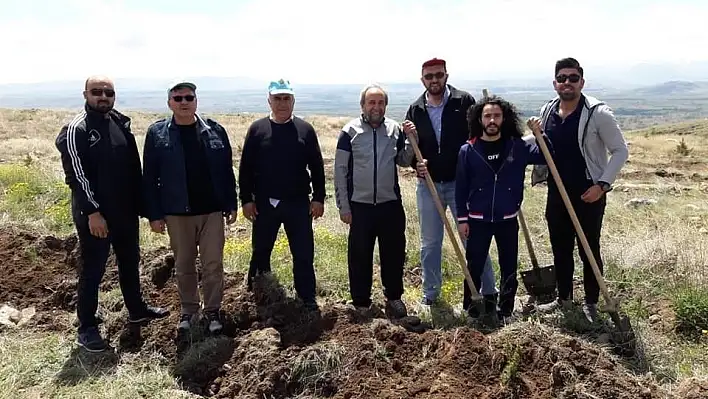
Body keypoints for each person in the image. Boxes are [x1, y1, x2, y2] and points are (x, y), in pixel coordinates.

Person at [55, 75, 169, 352]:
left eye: (108, 92)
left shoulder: (119, 123)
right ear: (85, 94)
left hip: (125, 213)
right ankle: (87, 327)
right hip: (96, 217)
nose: (103, 96)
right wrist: (93, 212)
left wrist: (144, 208)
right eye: (97, 92)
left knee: (130, 262)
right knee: (93, 270)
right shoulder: (76, 130)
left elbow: (133, 170)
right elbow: (77, 177)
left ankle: (136, 309)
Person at [532, 57, 629, 322]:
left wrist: (602, 185)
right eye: (562, 78)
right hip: (557, 193)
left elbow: (620, 151)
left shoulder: (598, 113)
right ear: (555, 83)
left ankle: (591, 302)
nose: (567, 83)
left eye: (573, 78)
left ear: (581, 82)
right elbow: (540, 144)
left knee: (588, 248)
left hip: (589, 194)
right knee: (560, 247)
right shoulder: (548, 110)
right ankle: (564, 299)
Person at [142, 80, 238, 334]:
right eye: (178, 98)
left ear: (196, 101)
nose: (184, 102)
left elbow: (226, 171)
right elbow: (149, 177)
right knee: (184, 264)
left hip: (211, 211)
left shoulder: (215, 130)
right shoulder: (157, 134)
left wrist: (231, 203)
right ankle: (189, 310)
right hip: (176, 212)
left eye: (189, 97)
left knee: (213, 263)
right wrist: (154, 214)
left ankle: (213, 311)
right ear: (169, 103)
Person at [402, 57, 497, 313]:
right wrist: (415, 163)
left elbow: (479, 138)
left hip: (461, 185)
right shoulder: (415, 109)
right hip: (429, 184)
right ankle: (430, 295)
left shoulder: (463, 102)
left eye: (438, 75)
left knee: (472, 240)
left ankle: (489, 292)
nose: (434, 80)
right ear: (422, 80)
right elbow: (409, 150)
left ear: (446, 75)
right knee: (430, 243)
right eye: (429, 76)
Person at [455, 95, 550, 326]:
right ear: (480, 119)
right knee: (474, 264)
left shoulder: (517, 147)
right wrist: (462, 219)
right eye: (487, 115)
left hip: (508, 219)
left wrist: (541, 134)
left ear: (504, 118)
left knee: (509, 264)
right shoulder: (468, 150)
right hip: (478, 219)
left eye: (496, 115)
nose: (492, 120)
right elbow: (460, 188)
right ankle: (472, 307)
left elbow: (547, 155)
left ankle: (505, 309)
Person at [238, 78, 325, 311]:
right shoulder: (257, 129)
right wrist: (246, 199)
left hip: (298, 203)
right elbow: (245, 167)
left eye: (286, 98)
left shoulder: (305, 130)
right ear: (269, 100)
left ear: (293, 100)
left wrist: (318, 198)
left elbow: (316, 166)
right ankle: (257, 293)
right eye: (277, 98)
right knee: (261, 251)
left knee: (303, 253)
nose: (282, 103)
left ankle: (306, 299)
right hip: (265, 204)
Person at [334, 83, 416, 319]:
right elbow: (340, 172)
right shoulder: (349, 132)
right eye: (372, 102)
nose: (376, 107)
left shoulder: (394, 130)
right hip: (360, 206)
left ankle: (394, 298)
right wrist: (344, 206)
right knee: (360, 255)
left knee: (394, 253)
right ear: (363, 105)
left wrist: (411, 140)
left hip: (389, 204)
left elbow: (402, 160)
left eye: (381, 103)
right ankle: (361, 303)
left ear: (386, 106)